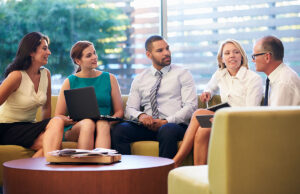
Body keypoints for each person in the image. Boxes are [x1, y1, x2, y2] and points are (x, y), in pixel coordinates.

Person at [173, 39, 263, 167]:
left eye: (236, 52)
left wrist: (222, 118)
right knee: (202, 131)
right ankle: (199, 174)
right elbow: (210, 87)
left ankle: (176, 161)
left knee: (199, 113)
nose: (231, 55)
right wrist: (207, 92)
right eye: (227, 53)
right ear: (222, 59)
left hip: (242, 123)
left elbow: (250, 113)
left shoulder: (253, 79)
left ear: (242, 56)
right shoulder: (221, 74)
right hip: (224, 120)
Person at [111, 35, 198, 159]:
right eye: (160, 50)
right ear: (148, 55)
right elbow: (130, 109)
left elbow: (191, 107)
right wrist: (141, 116)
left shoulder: (183, 74)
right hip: (147, 126)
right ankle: (127, 174)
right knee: (119, 131)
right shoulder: (140, 79)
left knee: (167, 130)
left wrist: (166, 121)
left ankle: (163, 176)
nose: (166, 53)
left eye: (167, 48)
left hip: (174, 125)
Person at [0, 32, 64, 157]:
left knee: (56, 123)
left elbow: (46, 107)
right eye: (44, 48)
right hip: (7, 127)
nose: (49, 52)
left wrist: (47, 130)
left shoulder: (46, 74)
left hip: (29, 126)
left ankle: (27, 175)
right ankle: (38, 174)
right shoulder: (16, 76)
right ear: (31, 52)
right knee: (54, 145)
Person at [55, 41, 124, 150]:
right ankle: (83, 165)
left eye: (94, 53)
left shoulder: (110, 78)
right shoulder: (70, 81)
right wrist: (71, 120)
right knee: (88, 123)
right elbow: (58, 115)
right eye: (89, 55)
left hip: (104, 124)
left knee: (102, 124)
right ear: (78, 61)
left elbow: (119, 111)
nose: (94, 57)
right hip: (77, 127)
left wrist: (108, 121)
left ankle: (102, 165)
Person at [252, 35, 300, 106]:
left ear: (267, 57)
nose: (253, 60)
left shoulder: (282, 83)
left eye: (254, 56)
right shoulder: (278, 77)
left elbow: (275, 116)